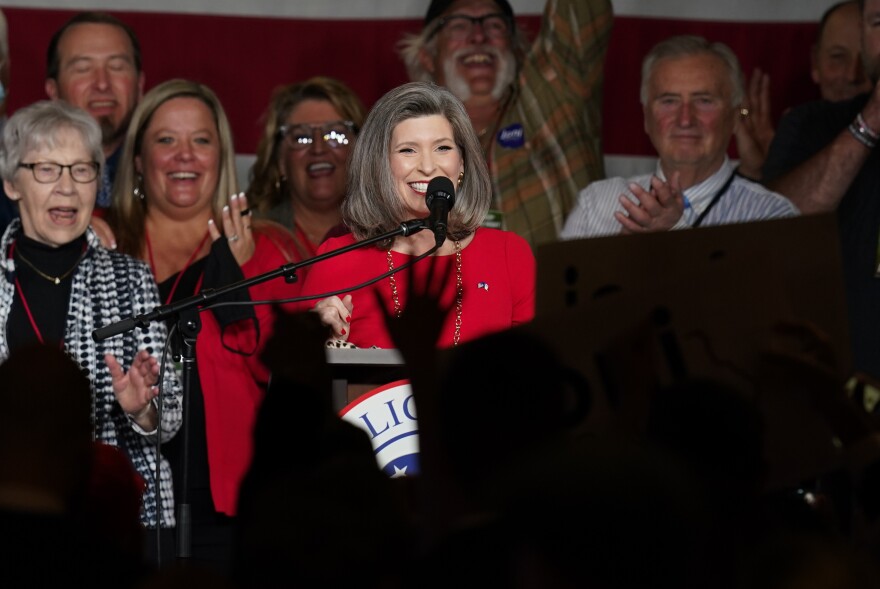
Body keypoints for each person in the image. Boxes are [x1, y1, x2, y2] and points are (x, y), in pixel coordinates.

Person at [107, 79, 303, 571]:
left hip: (232, 507)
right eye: (166, 140)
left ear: (222, 155)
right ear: (137, 159)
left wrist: (233, 276)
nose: (184, 156)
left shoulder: (272, 248)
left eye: (201, 139)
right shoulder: (103, 239)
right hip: (122, 500)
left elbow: (291, 376)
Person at [0, 100, 182, 534]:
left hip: (110, 513)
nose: (67, 187)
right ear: (12, 183)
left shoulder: (131, 278)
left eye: (82, 170)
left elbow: (169, 421)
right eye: (47, 169)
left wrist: (143, 411)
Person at [301, 81, 535, 349]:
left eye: (443, 148)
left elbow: (534, 376)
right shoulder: (337, 260)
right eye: (408, 150)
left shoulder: (509, 254)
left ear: (462, 163)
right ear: (380, 166)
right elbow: (297, 385)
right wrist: (322, 349)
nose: (427, 166)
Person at [398, 0, 613, 247]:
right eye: (458, 25)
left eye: (495, 25)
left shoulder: (552, 97)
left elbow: (581, 12)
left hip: (559, 283)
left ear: (515, 47)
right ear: (428, 56)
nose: (479, 36)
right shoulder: (405, 144)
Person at [561, 35, 798, 240]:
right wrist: (622, 250)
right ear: (646, 117)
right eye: (669, 101)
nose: (685, 119)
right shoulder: (595, 203)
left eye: (704, 101)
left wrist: (675, 232)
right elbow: (561, 293)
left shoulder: (773, 216)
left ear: (735, 116)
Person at [762, 0, 880, 381]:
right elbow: (777, 228)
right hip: (844, 399)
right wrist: (872, 122)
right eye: (879, 22)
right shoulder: (812, 124)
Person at [735, 1, 871, 180]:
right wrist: (759, 171)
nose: (852, 75)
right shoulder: (796, 131)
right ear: (815, 63)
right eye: (837, 57)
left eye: (867, 60)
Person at [248, 77, 366, 259]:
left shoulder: (391, 233)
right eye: (301, 137)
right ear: (280, 160)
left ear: (362, 150)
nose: (318, 148)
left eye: (335, 135)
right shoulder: (251, 238)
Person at [44, 12, 144, 216]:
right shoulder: (15, 178)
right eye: (83, 69)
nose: (102, 83)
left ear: (140, 86)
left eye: (117, 67)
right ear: (53, 91)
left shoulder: (167, 169)